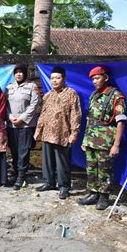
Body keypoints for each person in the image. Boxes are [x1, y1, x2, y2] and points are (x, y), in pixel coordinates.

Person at [78, 66, 127, 210]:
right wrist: (85, 139)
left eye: (97, 78)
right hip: (91, 139)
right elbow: (90, 119)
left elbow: (121, 122)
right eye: (92, 79)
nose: (94, 81)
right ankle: (93, 193)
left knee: (105, 170)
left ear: (106, 78)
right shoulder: (94, 95)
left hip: (106, 142)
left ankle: (104, 197)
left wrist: (116, 145)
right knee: (91, 168)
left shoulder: (116, 96)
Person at [34, 66, 82, 200]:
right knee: (47, 160)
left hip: (63, 133)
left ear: (64, 79)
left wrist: (74, 132)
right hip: (47, 133)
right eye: (52, 78)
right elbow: (43, 114)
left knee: (62, 162)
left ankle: (64, 186)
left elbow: (75, 114)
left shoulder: (71, 93)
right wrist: (38, 131)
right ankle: (49, 182)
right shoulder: (48, 95)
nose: (54, 81)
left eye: (57, 78)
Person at [6, 64, 41, 190]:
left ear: (25, 73)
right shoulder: (9, 87)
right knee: (14, 150)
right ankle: (16, 173)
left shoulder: (32, 86)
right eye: (16, 72)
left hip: (26, 125)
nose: (18, 74)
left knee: (23, 151)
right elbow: (5, 106)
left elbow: (34, 105)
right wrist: (10, 117)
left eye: (21, 72)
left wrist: (22, 118)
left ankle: (21, 177)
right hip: (12, 124)